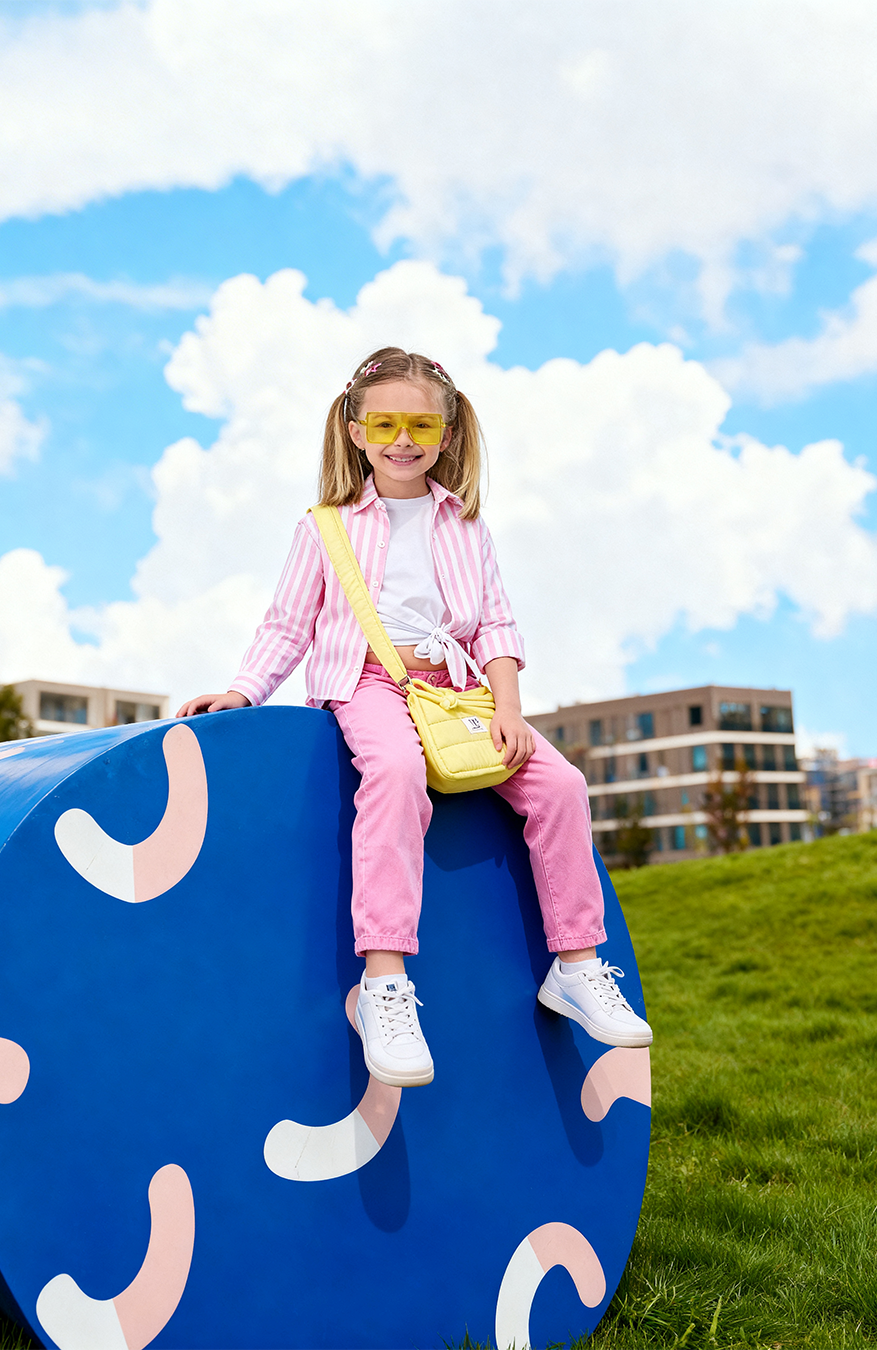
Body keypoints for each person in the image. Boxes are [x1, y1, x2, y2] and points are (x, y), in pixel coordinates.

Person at [178, 347, 652, 1088]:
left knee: (560, 787)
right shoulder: (326, 527)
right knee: (396, 773)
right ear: (356, 429)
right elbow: (286, 625)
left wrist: (509, 709)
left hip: (459, 690)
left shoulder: (466, 525)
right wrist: (242, 692)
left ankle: (578, 963)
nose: (404, 440)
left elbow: (495, 622)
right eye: (387, 423)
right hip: (367, 682)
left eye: (422, 426)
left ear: (449, 433)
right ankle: (386, 981)